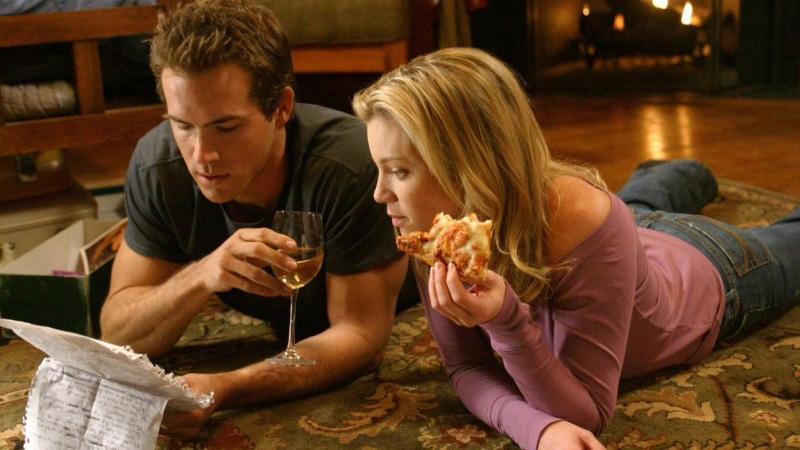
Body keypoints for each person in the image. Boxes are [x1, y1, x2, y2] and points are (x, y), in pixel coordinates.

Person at [352, 47, 800, 449]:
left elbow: (587, 414)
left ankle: (687, 171)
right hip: (625, 243)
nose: (379, 194)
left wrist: (506, 322)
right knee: (639, 205)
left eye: (399, 172)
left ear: (469, 165)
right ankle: (677, 172)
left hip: (710, 266)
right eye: (379, 169)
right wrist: (538, 429)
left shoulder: (586, 219)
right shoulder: (433, 232)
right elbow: (466, 368)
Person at [98, 0, 417, 439]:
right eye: (183, 125)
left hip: (405, 305)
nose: (201, 155)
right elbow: (118, 332)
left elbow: (361, 337)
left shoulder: (349, 167)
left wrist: (227, 386)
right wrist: (200, 276)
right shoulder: (158, 166)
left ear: (281, 108)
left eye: (226, 127)